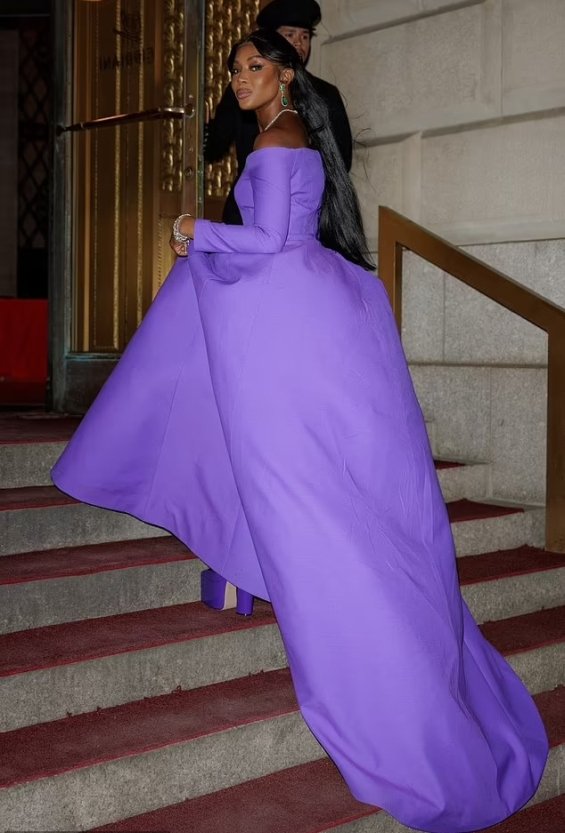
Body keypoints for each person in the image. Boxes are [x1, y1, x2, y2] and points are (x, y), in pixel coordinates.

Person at [52, 29, 548, 833]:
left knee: (286, 476)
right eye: (235, 70)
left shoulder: (278, 140)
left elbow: (270, 242)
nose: (240, 80)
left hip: (279, 323)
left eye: (254, 68)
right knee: (266, 455)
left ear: (286, 74)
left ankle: (330, 639)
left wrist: (191, 232)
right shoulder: (289, 136)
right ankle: (236, 566)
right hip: (296, 316)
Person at [204, 0, 352, 224]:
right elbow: (215, 146)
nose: (298, 44)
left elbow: (341, 161)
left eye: (304, 36)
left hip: (305, 218)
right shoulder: (244, 89)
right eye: (290, 35)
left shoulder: (326, 94)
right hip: (246, 210)